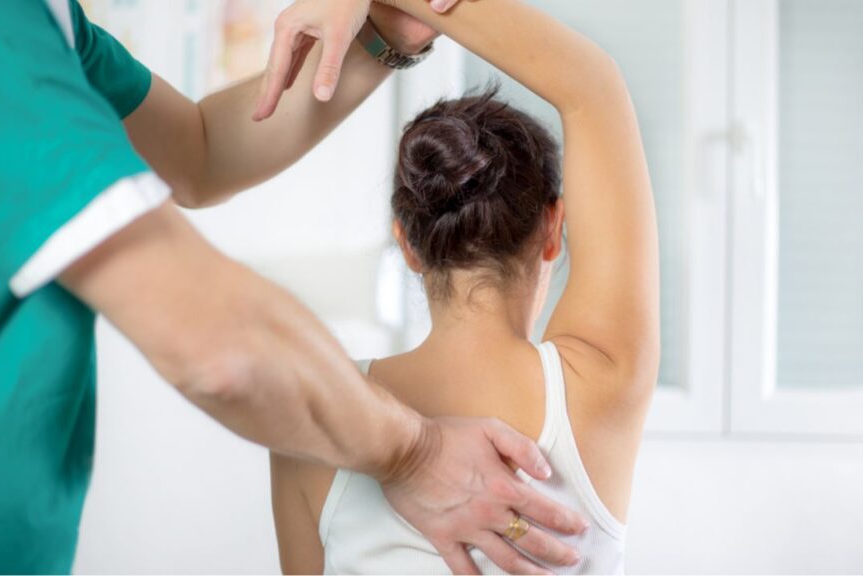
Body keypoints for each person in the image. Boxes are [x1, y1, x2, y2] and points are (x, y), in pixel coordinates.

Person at [0, 0, 588, 573]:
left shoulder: (47, 25)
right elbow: (217, 346)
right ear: (553, 230)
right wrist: (414, 454)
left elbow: (199, 150)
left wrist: (386, 29)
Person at [267, 0, 660, 573]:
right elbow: (593, 86)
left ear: (406, 243)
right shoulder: (601, 385)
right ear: (553, 228)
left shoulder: (314, 424)